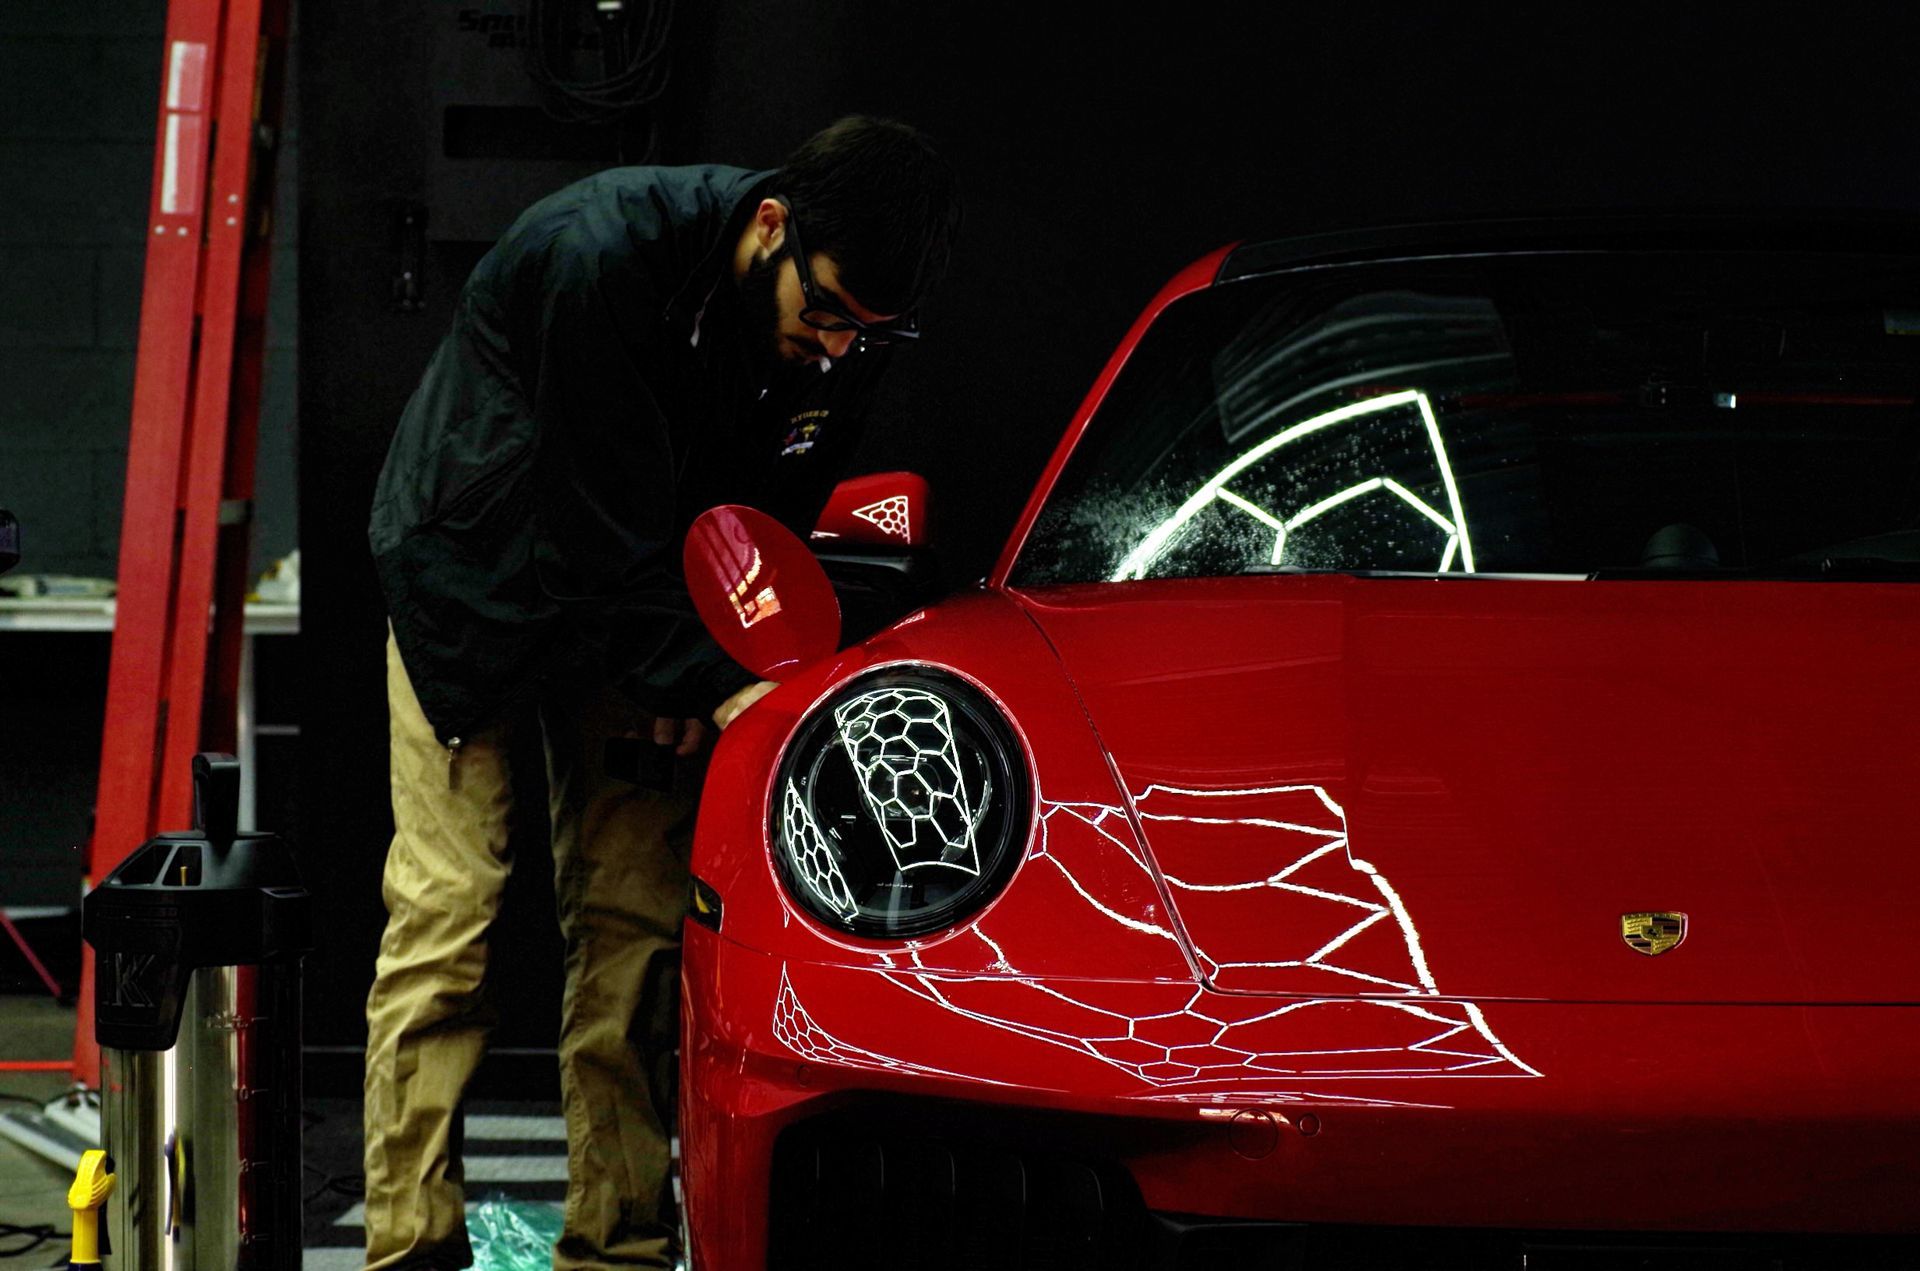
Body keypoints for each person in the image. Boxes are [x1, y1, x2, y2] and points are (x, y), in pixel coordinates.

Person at [360, 116, 960, 1271]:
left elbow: (758, 528)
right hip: (476, 582)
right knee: (450, 920)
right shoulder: (598, 257)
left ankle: (617, 1249)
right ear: (772, 226)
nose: (836, 348)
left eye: (865, 332)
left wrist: (717, 664)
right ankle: (408, 1248)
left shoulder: (851, 331)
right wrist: (713, 679)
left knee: (635, 932)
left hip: (640, 603)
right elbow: (596, 540)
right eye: (825, 310)